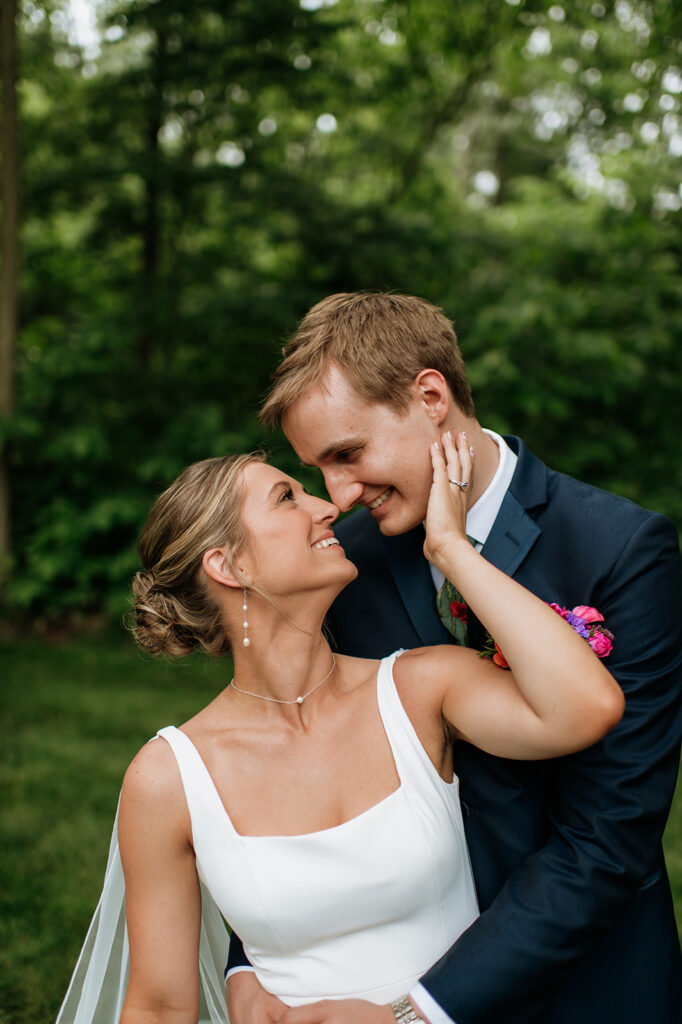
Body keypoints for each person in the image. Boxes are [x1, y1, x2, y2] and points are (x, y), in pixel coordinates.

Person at [225, 292, 682, 1024]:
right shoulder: (349, 567)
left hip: (593, 985)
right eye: (317, 468)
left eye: (348, 454)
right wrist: (250, 960)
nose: (337, 495)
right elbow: (286, 763)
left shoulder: (620, 550)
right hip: (389, 966)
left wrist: (423, 1012)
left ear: (430, 396)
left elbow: (606, 840)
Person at [56, 436, 623, 1024]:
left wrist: (452, 550)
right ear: (229, 566)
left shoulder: (421, 689)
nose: (327, 506)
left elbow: (584, 709)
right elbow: (157, 1006)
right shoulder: (168, 777)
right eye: (286, 497)